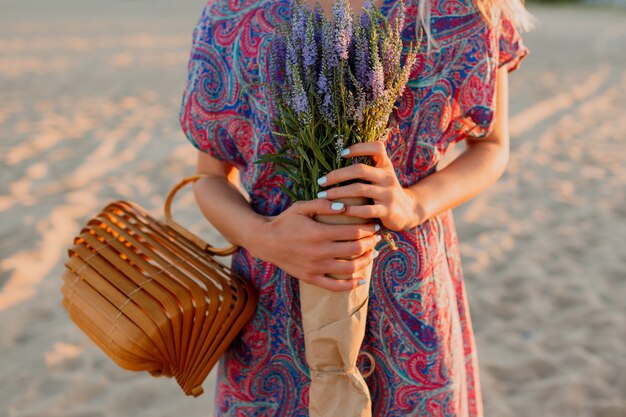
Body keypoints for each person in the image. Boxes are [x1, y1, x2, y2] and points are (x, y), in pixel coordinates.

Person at [179, 0, 532, 415]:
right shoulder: (232, 11)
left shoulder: (455, 7)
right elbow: (210, 178)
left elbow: (491, 146)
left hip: (409, 301)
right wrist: (263, 236)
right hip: (273, 308)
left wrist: (413, 202)